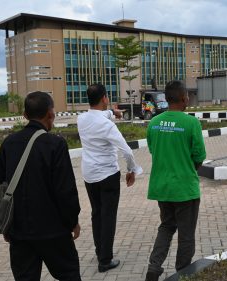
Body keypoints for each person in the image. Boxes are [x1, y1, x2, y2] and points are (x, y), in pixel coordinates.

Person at [0, 91, 81, 280]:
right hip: (54, 231)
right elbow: (65, 190)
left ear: (25, 116)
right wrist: (72, 221)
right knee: (69, 275)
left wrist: (6, 226)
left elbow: (0, 187)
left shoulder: (8, 143)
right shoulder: (55, 144)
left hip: (19, 232)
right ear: (51, 114)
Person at [77, 84, 142, 273]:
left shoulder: (82, 119)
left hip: (89, 175)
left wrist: (114, 113)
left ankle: (100, 252)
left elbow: (99, 115)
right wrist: (132, 170)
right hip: (107, 175)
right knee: (108, 216)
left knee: (97, 214)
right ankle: (105, 260)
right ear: (104, 98)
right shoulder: (107, 125)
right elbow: (127, 151)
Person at [145, 81, 206, 281]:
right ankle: (183, 273)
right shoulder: (191, 123)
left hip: (162, 187)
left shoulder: (154, 123)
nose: (188, 99)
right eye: (187, 96)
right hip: (184, 189)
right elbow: (199, 155)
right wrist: (188, 170)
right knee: (186, 234)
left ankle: (154, 268)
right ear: (182, 98)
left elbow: (154, 150)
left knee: (166, 226)